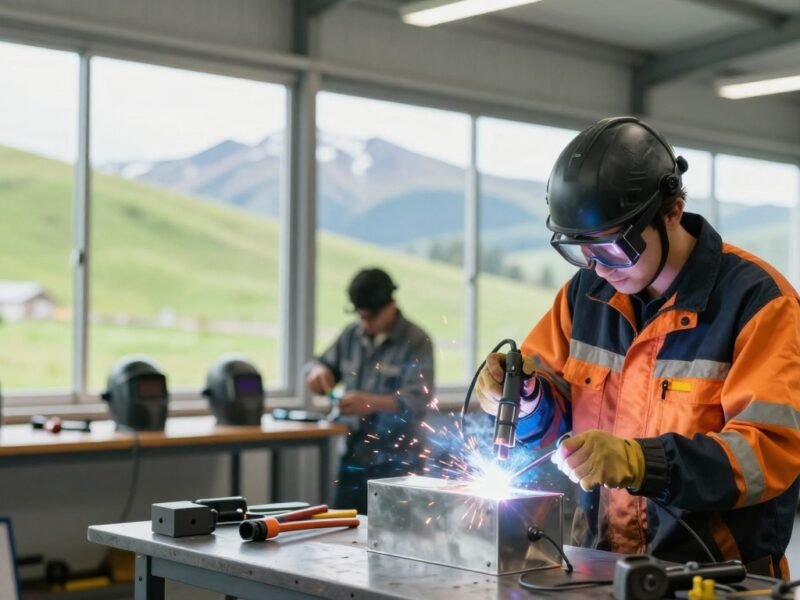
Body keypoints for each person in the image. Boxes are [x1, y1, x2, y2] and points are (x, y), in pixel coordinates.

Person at [476, 116, 800, 577]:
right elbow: (555, 414)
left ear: (672, 212)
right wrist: (525, 400)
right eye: (581, 251)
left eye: (613, 248)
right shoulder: (584, 296)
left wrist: (641, 462)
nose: (599, 267)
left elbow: (767, 454)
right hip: (603, 568)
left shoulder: (758, 303)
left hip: (719, 577)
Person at [306, 267, 434, 514]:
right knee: (342, 529)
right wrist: (317, 372)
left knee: (394, 533)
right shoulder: (351, 335)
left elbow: (418, 400)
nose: (364, 324)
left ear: (390, 305)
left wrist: (372, 403)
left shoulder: (416, 341)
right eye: (360, 316)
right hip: (354, 459)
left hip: (398, 466)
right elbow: (320, 364)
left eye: (370, 317)